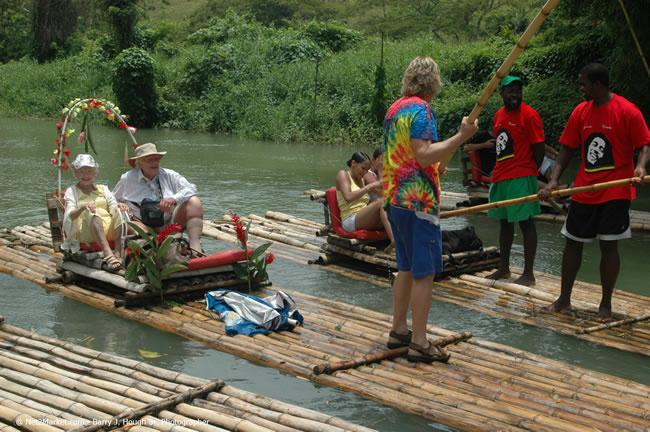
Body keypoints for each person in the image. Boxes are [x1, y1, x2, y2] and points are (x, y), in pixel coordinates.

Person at [383, 56, 477, 363]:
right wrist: (461, 138)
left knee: (407, 269)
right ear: (431, 83)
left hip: (396, 199)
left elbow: (411, 155)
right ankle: (419, 342)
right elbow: (423, 156)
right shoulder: (422, 110)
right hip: (418, 202)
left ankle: (399, 331)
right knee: (424, 274)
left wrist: (436, 163)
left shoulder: (395, 108)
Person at [538, 63, 649, 322]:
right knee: (572, 243)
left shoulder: (627, 111)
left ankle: (605, 306)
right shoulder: (581, 112)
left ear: (598, 84)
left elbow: (644, 144)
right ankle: (564, 300)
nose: (581, 88)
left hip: (615, 190)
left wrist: (640, 167)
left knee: (609, 247)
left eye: (584, 83)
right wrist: (554, 180)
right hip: (585, 189)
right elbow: (567, 147)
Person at [486, 75, 545, 287]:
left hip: (521, 175)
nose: (515, 94)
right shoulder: (499, 115)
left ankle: (529, 273)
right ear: (502, 93)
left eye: (518, 91)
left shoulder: (529, 116)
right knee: (504, 222)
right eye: (511, 91)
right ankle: (504, 267)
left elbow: (539, 147)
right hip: (502, 175)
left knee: (526, 222)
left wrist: (530, 170)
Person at [113, 142, 205, 254]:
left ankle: (195, 248)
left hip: (170, 223)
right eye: (149, 160)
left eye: (156, 159)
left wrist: (173, 199)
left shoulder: (169, 175)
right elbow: (113, 199)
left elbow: (191, 188)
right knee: (137, 228)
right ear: (139, 163)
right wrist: (120, 205)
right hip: (143, 224)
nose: (155, 163)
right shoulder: (127, 178)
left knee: (194, 201)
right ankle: (160, 248)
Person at [62, 154, 129, 272]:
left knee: (120, 211)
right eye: (81, 172)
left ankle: (118, 253)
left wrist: (119, 206)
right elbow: (70, 216)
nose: (86, 175)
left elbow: (112, 207)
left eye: (89, 171)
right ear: (75, 174)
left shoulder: (103, 189)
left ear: (95, 173)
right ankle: (108, 254)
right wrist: (83, 207)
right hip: (88, 232)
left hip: (110, 229)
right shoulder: (71, 192)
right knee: (92, 211)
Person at [335, 151, 394, 246]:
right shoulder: (343, 174)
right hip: (350, 221)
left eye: (367, 170)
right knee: (381, 201)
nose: (364, 172)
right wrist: (369, 187)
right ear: (353, 163)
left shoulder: (361, 179)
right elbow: (348, 197)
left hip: (364, 219)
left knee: (391, 204)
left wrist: (380, 170)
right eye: (363, 168)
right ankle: (394, 240)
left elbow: (382, 190)